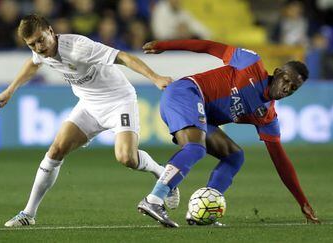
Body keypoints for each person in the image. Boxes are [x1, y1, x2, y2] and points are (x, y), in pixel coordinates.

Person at [0, 14, 180, 227]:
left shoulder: (78, 47)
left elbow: (124, 57)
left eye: (41, 40)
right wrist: (10, 90)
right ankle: (28, 213)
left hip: (119, 101)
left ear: (51, 31)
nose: (38, 47)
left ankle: (161, 172)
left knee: (127, 159)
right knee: (55, 150)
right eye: (31, 44)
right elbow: (33, 64)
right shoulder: (40, 52)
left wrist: (155, 78)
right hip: (89, 105)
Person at [137, 39, 320, 227]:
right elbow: (210, 47)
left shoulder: (267, 116)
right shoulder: (251, 63)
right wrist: (166, 46)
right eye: (287, 81)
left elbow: (281, 161)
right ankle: (154, 199)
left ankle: (203, 209)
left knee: (235, 157)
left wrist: (302, 201)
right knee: (195, 148)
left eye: (293, 88)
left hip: (200, 116)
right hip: (186, 92)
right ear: (278, 72)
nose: (287, 89)